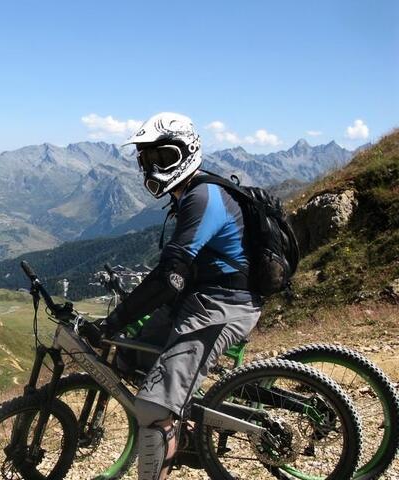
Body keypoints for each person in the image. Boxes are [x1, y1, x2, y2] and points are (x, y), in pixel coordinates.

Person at [83, 112, 263, 479]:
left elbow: (170, 277)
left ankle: (168, 420)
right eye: (147, 160)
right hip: (198, 297)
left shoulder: (202, 198)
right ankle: (183, 427)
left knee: (152, 406)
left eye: (163, 158)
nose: (154, 169)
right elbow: (172, 273)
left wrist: (113, 320)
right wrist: (118, 326)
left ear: (188, 151)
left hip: (224, 305)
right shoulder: (187, 195)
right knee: (129, 356)